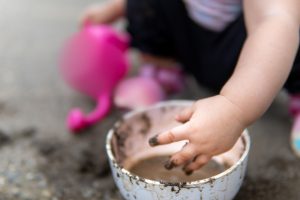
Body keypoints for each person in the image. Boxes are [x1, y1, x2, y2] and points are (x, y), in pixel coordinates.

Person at [80, 0, 300, 174]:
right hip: (192, 39)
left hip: (258, 52)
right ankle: (162, 70)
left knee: (291, 22)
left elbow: (274, 19)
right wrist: (115, 8)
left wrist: (234, 108)